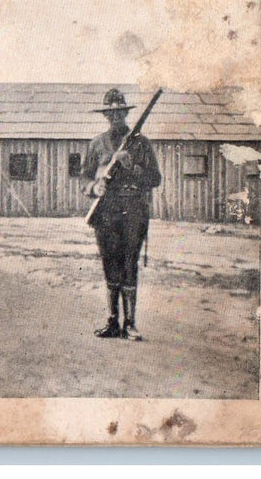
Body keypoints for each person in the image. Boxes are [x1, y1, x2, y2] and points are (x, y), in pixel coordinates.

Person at [81, 88, 162, 341]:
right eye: (110, 113)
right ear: (106, 115)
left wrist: (133, 167)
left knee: (129, 264)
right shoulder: (96, 144)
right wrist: (95, 187)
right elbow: (84, 178)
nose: (115, 117)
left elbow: (155, 178)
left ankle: (130, 324)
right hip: (106, 211)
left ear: (126, 114)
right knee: (110, 264)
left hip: (133, 211)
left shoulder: (141, 143)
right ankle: (112, 321)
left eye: (119, 113)